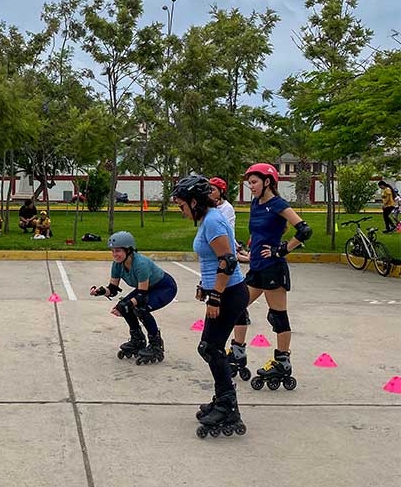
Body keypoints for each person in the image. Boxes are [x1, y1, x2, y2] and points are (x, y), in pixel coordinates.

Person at [171, 175, 248, 437]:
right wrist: (205, 286)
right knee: (210, 347)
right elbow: (215, 260)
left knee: (211, 348)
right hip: (223, 291)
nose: (180, 210)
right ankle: (223, 398)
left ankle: (228, 406)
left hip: (229, 293)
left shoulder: (213, 220)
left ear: (195, 202)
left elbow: (228, 261)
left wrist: (215, 296)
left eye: (182, 205)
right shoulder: (209, 219)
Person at [233, 163, 311, 391]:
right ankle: (238, 351)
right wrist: (249, 252)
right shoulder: (256, 203)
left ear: (268, 182)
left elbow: (304, 230)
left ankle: (282, 361)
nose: (251, 187)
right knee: (238, 305)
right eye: (249, 183)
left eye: (254, 182)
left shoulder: (278, 204)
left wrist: (282, 250)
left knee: (278, 316)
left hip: (273, 268)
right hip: (256, 266)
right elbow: (258, 233)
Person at [89, 231, 178, 365]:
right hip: (147, 288)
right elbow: (112, 289)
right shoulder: (117, 264)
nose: (114, 254)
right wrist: (100, 291)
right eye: (112, 251)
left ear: (128, 250)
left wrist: (127, 305)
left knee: (140, 308)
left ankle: (156, 345)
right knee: (124, 305)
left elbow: (141, 295)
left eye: (118, 251)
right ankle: (138, 340)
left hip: (164, 287)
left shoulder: (140, 264)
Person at [208, 177, 250, 264]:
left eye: (212, 190)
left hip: (226, 241)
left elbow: (221, 227)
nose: (209, 192)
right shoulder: (209, 206)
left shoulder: (227, 207)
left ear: (221, 191)